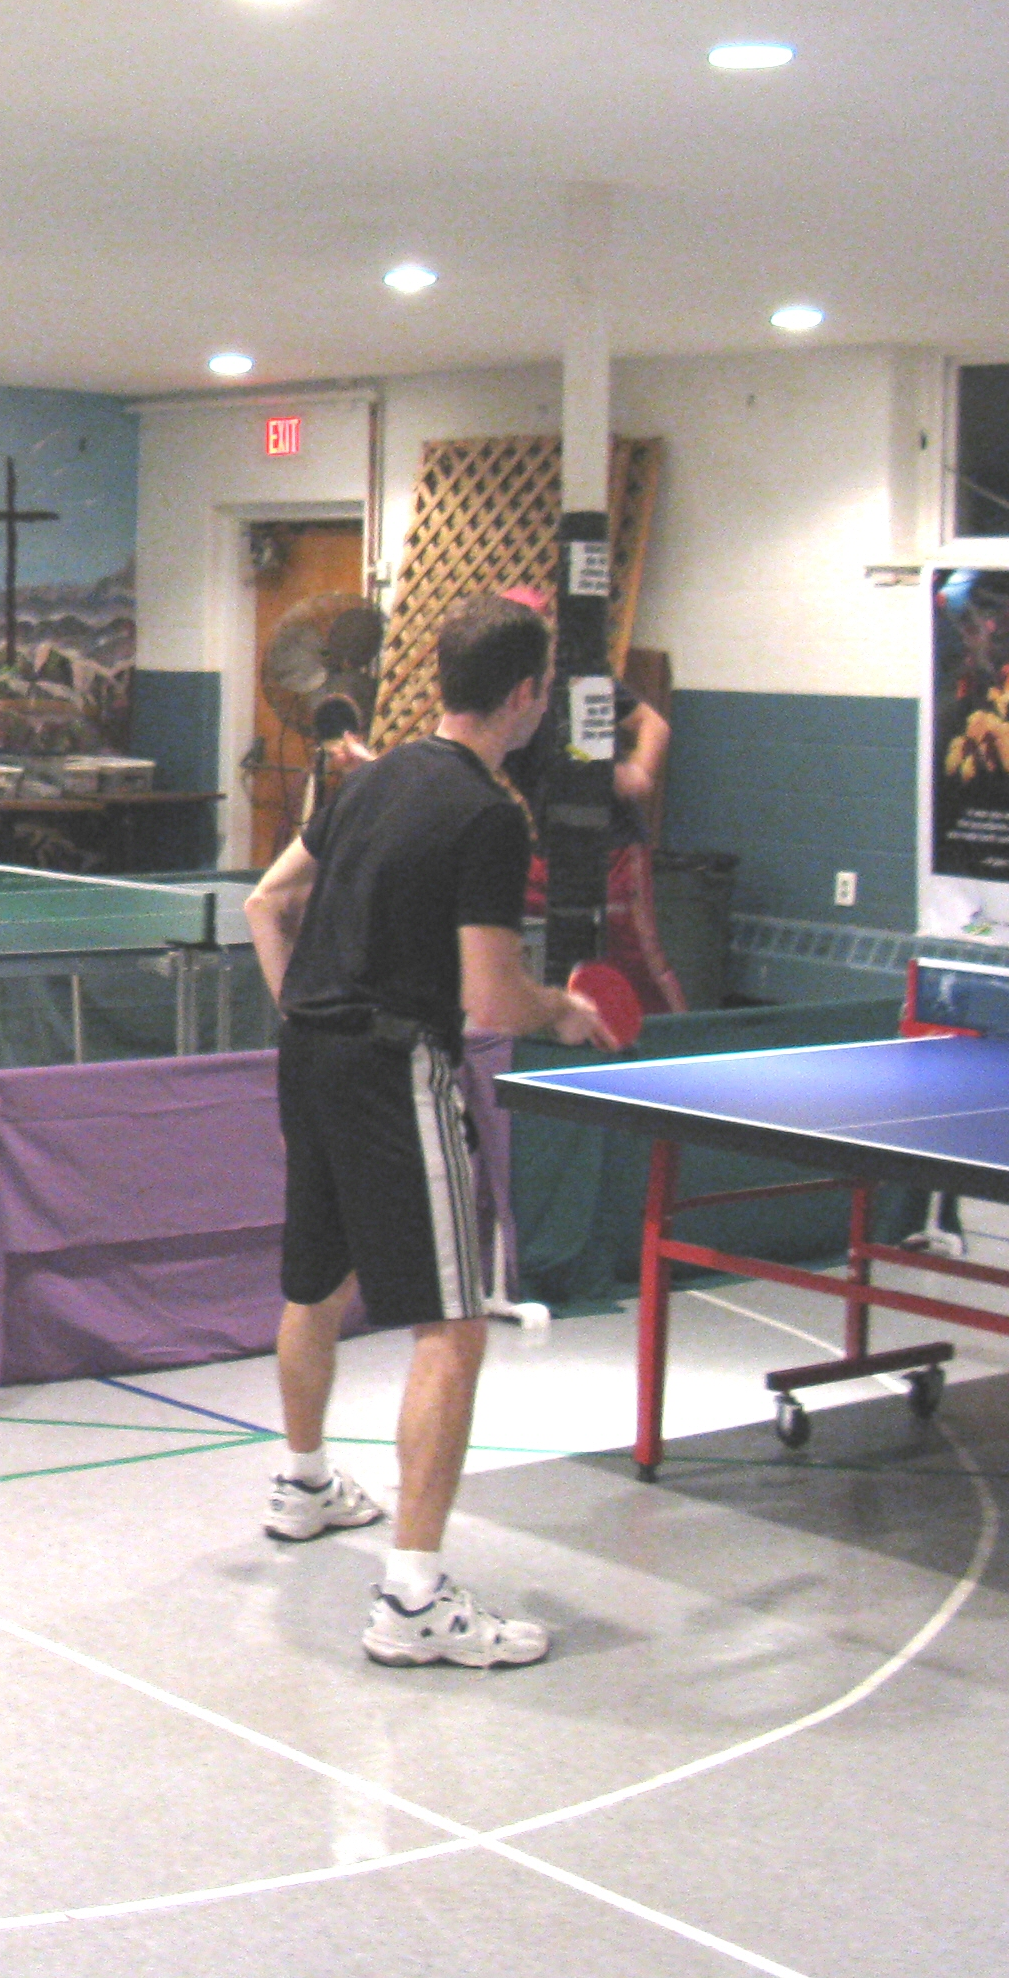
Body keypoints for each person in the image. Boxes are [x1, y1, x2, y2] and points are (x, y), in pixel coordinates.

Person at [242, 592, 611, 1670]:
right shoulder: (490, 815)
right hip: (394, 1068)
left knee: (316, 1284)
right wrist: (563, 1011)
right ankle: (412, 1599)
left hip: (308, 1054)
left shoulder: (371, 777)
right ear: (527, 695)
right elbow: (492, 999)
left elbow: (266, 903)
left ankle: (304, 1483)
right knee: (453, 1326)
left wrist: (303, 1010)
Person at [499, 585, 685, 1016]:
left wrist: (639, 773)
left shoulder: (579, 682)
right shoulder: (501, 698)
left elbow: (652, 725)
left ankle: (681, 1043)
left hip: (611, 848)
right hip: (552, 850)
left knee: (635, 959)